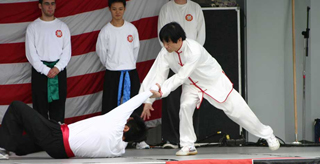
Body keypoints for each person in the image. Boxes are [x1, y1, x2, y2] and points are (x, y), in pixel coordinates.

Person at [139, 22, 280, 156]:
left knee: (237, 111)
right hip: (191, 84)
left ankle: (267, 134)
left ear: (179, 39)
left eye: (168, 42)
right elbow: (157, 74)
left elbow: (181, 75)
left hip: (213, 81)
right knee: (185, 106)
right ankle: (188, 144)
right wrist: (149, 99)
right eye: (163, 42)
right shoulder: (165, 52)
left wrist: (161, 92)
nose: (165, 46)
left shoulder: (194, 50)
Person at [0, 85, 160, 159]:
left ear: (125, 127)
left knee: (17, 107)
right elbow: (131, 136)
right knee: (19, 147)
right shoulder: (118, 150)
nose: (125, 117)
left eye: (127, 119)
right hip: (61, 152)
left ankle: (2, 149)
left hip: (56, 137)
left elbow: (131, 103)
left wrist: (150, 93)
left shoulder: (115, 124)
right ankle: (12, 147)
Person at [96, 0, 149, 149]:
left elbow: (135, 50)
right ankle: (110, 140)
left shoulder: (131, 29)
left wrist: (127, 64)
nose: (117, 12)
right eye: (114, 9)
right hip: (113, 73)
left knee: (135, 106)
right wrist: (113, 65)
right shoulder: (106, 31)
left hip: (130, 72)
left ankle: (139, 140)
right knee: (110, 106)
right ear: (109, 9)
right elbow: (101, 52)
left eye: (120, 9)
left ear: (125, 9)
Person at [157, 0, 206, 148]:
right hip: (173, 58)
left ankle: (190, 139)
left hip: (192, 61)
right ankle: (172, 139)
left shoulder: (195, 8)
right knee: (171, 99)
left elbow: (201, 35)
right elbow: (163, 37)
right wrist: (172, 52)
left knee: (192, 99)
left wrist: (192, 56)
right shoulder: (166, 9)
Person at [25, 0, 71, 123]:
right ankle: (41, 142)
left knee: (58, 109)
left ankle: (57, 140)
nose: (50, 7)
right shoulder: (33, 27)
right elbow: (31, 54)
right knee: (40, 110)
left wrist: (57, 68)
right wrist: (45, 70)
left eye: (52, 3)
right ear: (40, 5)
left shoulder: (63, 27)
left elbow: (67, 52)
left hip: (58, 72)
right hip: (40, 72)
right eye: (46, 3)